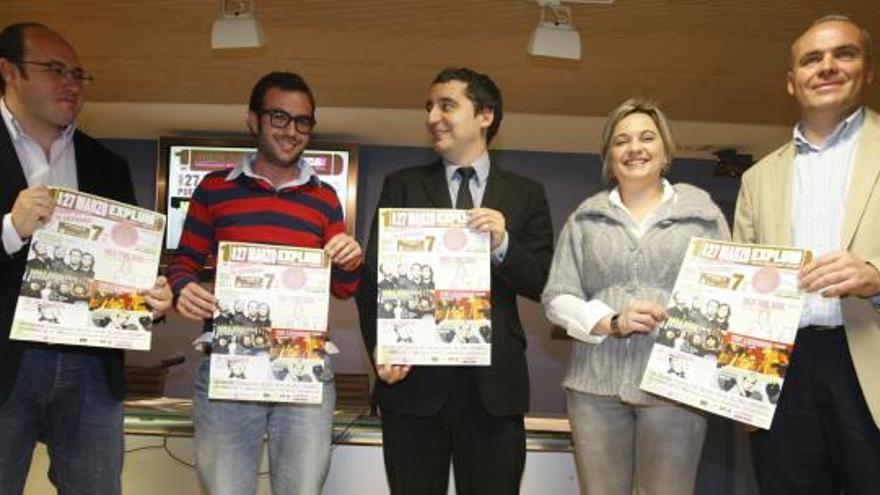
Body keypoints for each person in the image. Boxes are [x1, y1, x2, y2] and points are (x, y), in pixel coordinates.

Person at [356, 67, 553, 494]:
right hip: (412, 386)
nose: (432, 117)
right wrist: (380, 349)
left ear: (485, 115)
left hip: (494, 391)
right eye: (428, 107)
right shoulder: (402, 186)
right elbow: (373, 282)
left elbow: (543, 282)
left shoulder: (526, 193)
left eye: (446, 105)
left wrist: (503, 244)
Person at [167, 71, 363, 495]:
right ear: (252, 120)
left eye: (303, 121)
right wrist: (184, 288)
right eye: (279, 117)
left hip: (303, 370)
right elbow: (183, 262)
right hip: (230, 366)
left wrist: (351, 258)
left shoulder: (325, 198)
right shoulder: (214, 189)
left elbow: (345, 286)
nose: (292, 131)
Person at [0, 22, 171, 494]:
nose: (71, 83)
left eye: (78, 74)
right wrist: (10, 229)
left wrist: (149, 297)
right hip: (8, 363)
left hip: (92, 365)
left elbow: (128, 266)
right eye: (55, 70)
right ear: (8, 71)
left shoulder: (107, 164)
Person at [542, 98, 730, 495]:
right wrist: (611, 321)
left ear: (666, 153)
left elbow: (729, 293)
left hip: (676, 386)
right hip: (594, 388)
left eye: (647, 137)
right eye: (621, 141)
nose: (634, 148)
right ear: (609, 157)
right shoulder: (585, 218)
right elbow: (558, 295)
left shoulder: (703, 214)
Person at [733, 14, 880, 493]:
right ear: (792, 82)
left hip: (868, 360)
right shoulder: (757, 178)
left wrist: (877, 276)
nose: (827, 66)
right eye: (812, 59)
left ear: (869, 71)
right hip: (781, 370)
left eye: (845, 53)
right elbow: (739, 279)